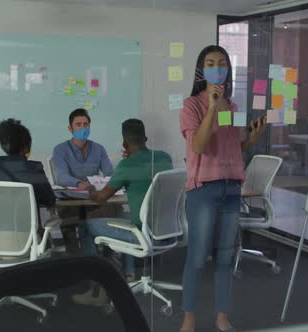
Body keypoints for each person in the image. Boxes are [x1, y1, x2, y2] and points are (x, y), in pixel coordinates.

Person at [179, 45, 267, 332]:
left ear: (228, 69)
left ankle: (221, 318)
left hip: (231, 188)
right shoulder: (190, 106)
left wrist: (252, 139)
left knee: (226, 258)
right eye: (210, 62)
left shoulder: (233, 106)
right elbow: (201, 145)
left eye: (221, 62)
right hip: (203, 190)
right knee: (197, 257)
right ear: (201, 70)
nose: (217, 67)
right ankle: (188, 321)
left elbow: (230, 150)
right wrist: (211, 108)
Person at [72, 119, 173, 305]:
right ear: (145, 138)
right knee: (121, 218)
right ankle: (124, 275)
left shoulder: (126, 166)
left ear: (124, 143)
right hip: (168, 232)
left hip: (142, 235)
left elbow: (101, 198)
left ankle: (99, 287)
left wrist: (92, 190)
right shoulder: (164, 158)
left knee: (85, 227)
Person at [52, 108, 116, 253]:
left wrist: (104, 182)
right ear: (70, 128)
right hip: (71, 200)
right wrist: (80, 184)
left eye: (85, 124)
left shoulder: (99, 149)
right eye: (78, 124)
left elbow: (110, 174)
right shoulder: (60, 150)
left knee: (112, 210)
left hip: (94, 198)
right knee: (70, 224)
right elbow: (62, 177)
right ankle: (74, 259)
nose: (83, 128)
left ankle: (106, 256)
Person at [0, 118, 55, 208]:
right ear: (26, 147)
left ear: (3, 145)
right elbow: (50, 200)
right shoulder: (33, 167)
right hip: (26, 222)